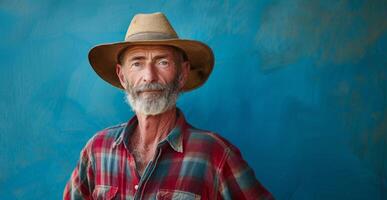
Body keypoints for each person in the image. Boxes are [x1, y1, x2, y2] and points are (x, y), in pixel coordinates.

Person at [63, 12, 274, 200]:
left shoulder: (215, 155)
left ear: (182, 74)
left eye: (162, 62)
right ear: (122, 76)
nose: (149, 76)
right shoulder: (97, 150)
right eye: (137, 63)